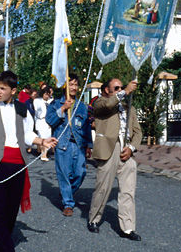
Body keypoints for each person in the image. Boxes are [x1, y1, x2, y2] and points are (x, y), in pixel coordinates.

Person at [0, 70, 57, 252]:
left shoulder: (22, 109)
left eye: (3, 88)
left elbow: (27, 134)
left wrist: (42, 140)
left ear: (13, 90)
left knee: (11, 209)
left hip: (18, 163)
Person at [87, 78, 143, 240]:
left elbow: (138, 132)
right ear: (106, 90)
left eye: (121, 87)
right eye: (116, 88)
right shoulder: (100, 103)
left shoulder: (128, 107)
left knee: (128, 191)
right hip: (108, 149)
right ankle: (94, 219)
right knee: (103, 188)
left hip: (126, 150)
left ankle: (127, 228)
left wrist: (131, 148)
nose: (120, 90)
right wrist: (125, 91)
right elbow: (106, 106)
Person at [45, 74, 92, 216]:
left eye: (76, 84)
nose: (74, 87)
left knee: (80, 173)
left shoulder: (82, 106)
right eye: (70, 84)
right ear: (65, 86)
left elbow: (87, 126)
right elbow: (50, 121)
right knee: (64, 174)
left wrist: (89, 144)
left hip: (79, 144)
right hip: (62, 144)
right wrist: (63, 108)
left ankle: (67, 192)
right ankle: (68, 204)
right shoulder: (55, 104)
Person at [33, 85, 53, 161]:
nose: (47, 96)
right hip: (41, 121)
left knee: (48, 137)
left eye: (48, 94)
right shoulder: (37, 101)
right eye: (45, 94)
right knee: (42, 136)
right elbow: (37, 112)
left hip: (48, 122)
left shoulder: (51, 101)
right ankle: (43, 155)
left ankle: (42, 151)